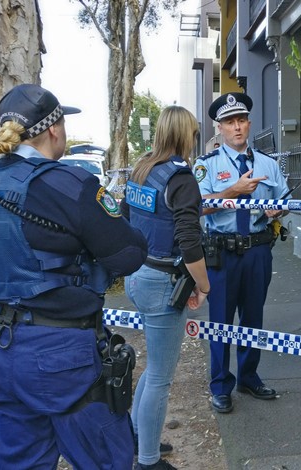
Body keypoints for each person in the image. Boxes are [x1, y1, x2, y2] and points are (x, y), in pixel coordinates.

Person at [0, 84, 148, 469]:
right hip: (62, 357)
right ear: (55, 129)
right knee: (106, 459)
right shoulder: (72, 184)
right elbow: (129, 255)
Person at [120, 106, 210, 470]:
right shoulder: (181, 178)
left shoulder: (143, 169)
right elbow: (189, 241)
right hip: (162, 282)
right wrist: (203, 285)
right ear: (184, 135)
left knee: (152, 368)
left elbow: (127, 218)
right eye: (193, 132)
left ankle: (138, 438)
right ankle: (148, 461)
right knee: (160, 375)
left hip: (138, 275)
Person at [195, 92, 290, 413]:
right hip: (222, 254)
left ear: (248, 123)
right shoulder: (206, 166)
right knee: (220, 320)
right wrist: (232, 191)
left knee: (253, 319)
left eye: (241, 120)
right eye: (229, 122)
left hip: (257, 251)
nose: (236, 127)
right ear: (219, 128)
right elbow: (198, 208)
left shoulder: (268, 163)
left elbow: (284, 199)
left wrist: (278, 211)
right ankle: (220, 384)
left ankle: (248, 376)